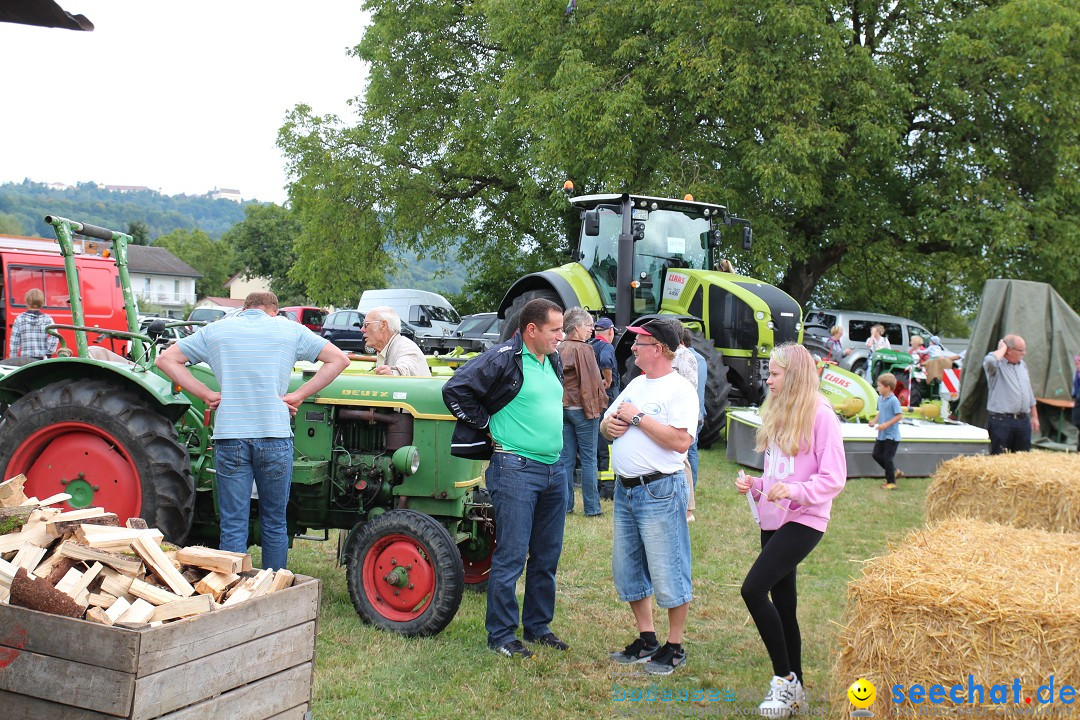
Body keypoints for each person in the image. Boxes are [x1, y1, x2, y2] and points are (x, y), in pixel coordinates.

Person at [156, 291, 349, 569]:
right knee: (274, 521)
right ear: (274, 311)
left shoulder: (216, 330)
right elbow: (339, 359)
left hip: (230, 436)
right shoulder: (289, 329)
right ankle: (272, 588)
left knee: (233, 522)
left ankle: (233, 591)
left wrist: (207, 394)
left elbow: (166, 359)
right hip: (274, 435)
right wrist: (299, 395)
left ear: (244, 309)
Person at [442, 298, 569, 659]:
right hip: (515, 470)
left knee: (547, 554)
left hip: (553, 470)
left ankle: (538, 627)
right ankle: (500, 635)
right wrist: (485, 427)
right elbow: (455, 389)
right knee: (511, 554)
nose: (561, 336)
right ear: (531, 330)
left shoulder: (552, 359)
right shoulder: (504, 357)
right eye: (555, 330)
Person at [734, 343, 846, 717]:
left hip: (805, 517)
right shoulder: (779, 410)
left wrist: (797, 491)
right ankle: (796, 688)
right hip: (775, 516)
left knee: (753, 589)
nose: (769, 380)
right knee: (784, 604)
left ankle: (784, 681)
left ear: (794, 375)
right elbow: (778, 474)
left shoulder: (822, 414)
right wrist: (757, 484)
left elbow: (833, 478)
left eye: (775, 374)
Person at [601, 318, 698, 676]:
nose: (632, 347)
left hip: (659, 490)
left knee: (668, 568)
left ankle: (674, 645)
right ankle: (646, 638)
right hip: (626, 491)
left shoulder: (679, 390)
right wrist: (607, 427)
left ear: (657, 348)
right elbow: (609, 421)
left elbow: (680, 441)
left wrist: (638, 418)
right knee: (628, 570)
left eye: (639, 343)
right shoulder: (636, 384)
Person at [558, 307, 607, 517]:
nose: (592, 330)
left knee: (565, 459)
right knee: (588, 459)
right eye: (588, 326)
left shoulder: (558, 347)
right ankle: (592, 508)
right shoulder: (584, 349)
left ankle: (566, 506)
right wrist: (598, 407)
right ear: (576, 328)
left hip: (562, 408)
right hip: (583, 409)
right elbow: (591, 383)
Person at [983, 335, 1039, 455]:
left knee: (1022, 460)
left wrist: (1034, 416)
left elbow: (1028, 391)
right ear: (1009, 350)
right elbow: (989, 360)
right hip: (1001, 421)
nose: (1024, 353)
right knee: (999, 457)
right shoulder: (995, 367)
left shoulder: (1022, 365)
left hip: (1023, 420)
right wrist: (1002, 348)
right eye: (1020, 350)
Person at [591, 317, 620, 500]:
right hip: (608, 401)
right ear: (610, 332)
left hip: (593, 401)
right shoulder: (606, 347)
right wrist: (608, 381)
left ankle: (600, 484)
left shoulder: (589, 346)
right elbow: (606, 361)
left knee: (597, 444)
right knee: (608, 445)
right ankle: (608, 489)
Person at [361, 306, 431, 377]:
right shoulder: (387, 349)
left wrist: (393, 373)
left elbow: (407, 368)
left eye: (366, 324)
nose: (362, 329)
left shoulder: (405, 347)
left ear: (383, 325)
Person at [869, 372, 903, 490]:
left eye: (879, 386)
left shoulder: (894, 401)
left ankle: (891, 482)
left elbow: (899, 416)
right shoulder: (880, 399)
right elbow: (880, 412)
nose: (878, 388)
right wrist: (874, 421)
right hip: (881, 434)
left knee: (888, 458)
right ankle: (894, 471)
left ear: (887, 387)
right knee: (876, 455)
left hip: (891, 436)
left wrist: (885, 425)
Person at [8, 288, 59, 360]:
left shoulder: (19, 319)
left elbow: (14, 342)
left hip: (25, 359)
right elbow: (55, 337)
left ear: (27, 302)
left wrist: (13, 358)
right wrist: (49, 353)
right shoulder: (47, 319)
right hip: (42, 359)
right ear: (42, 302)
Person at [1071, 353, 1080, 452]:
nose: (1076, 362)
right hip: (1077, 403)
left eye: (1079, 360)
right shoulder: (1076, 374)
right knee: (1077, 422)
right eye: (1076, 360)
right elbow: (1074, 391)